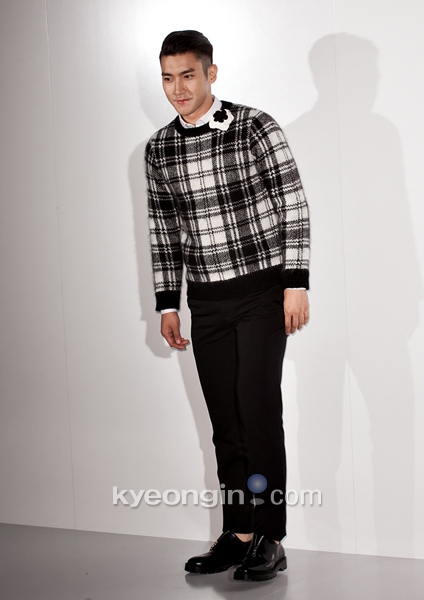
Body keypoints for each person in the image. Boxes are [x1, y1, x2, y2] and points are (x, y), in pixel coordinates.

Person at [144, 30, 310, 582]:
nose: (177, 89)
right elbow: (163, 231)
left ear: (210, 74)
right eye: (168, 78)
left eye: (188, 76)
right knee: (226, 424)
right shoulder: (159, 149)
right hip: (207, 302)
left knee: (257, 414)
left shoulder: (256, 126)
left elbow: (293, 204)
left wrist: (296, 282)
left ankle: (270, 537)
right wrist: (168, 304)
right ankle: (238, 533)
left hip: (262, 294)